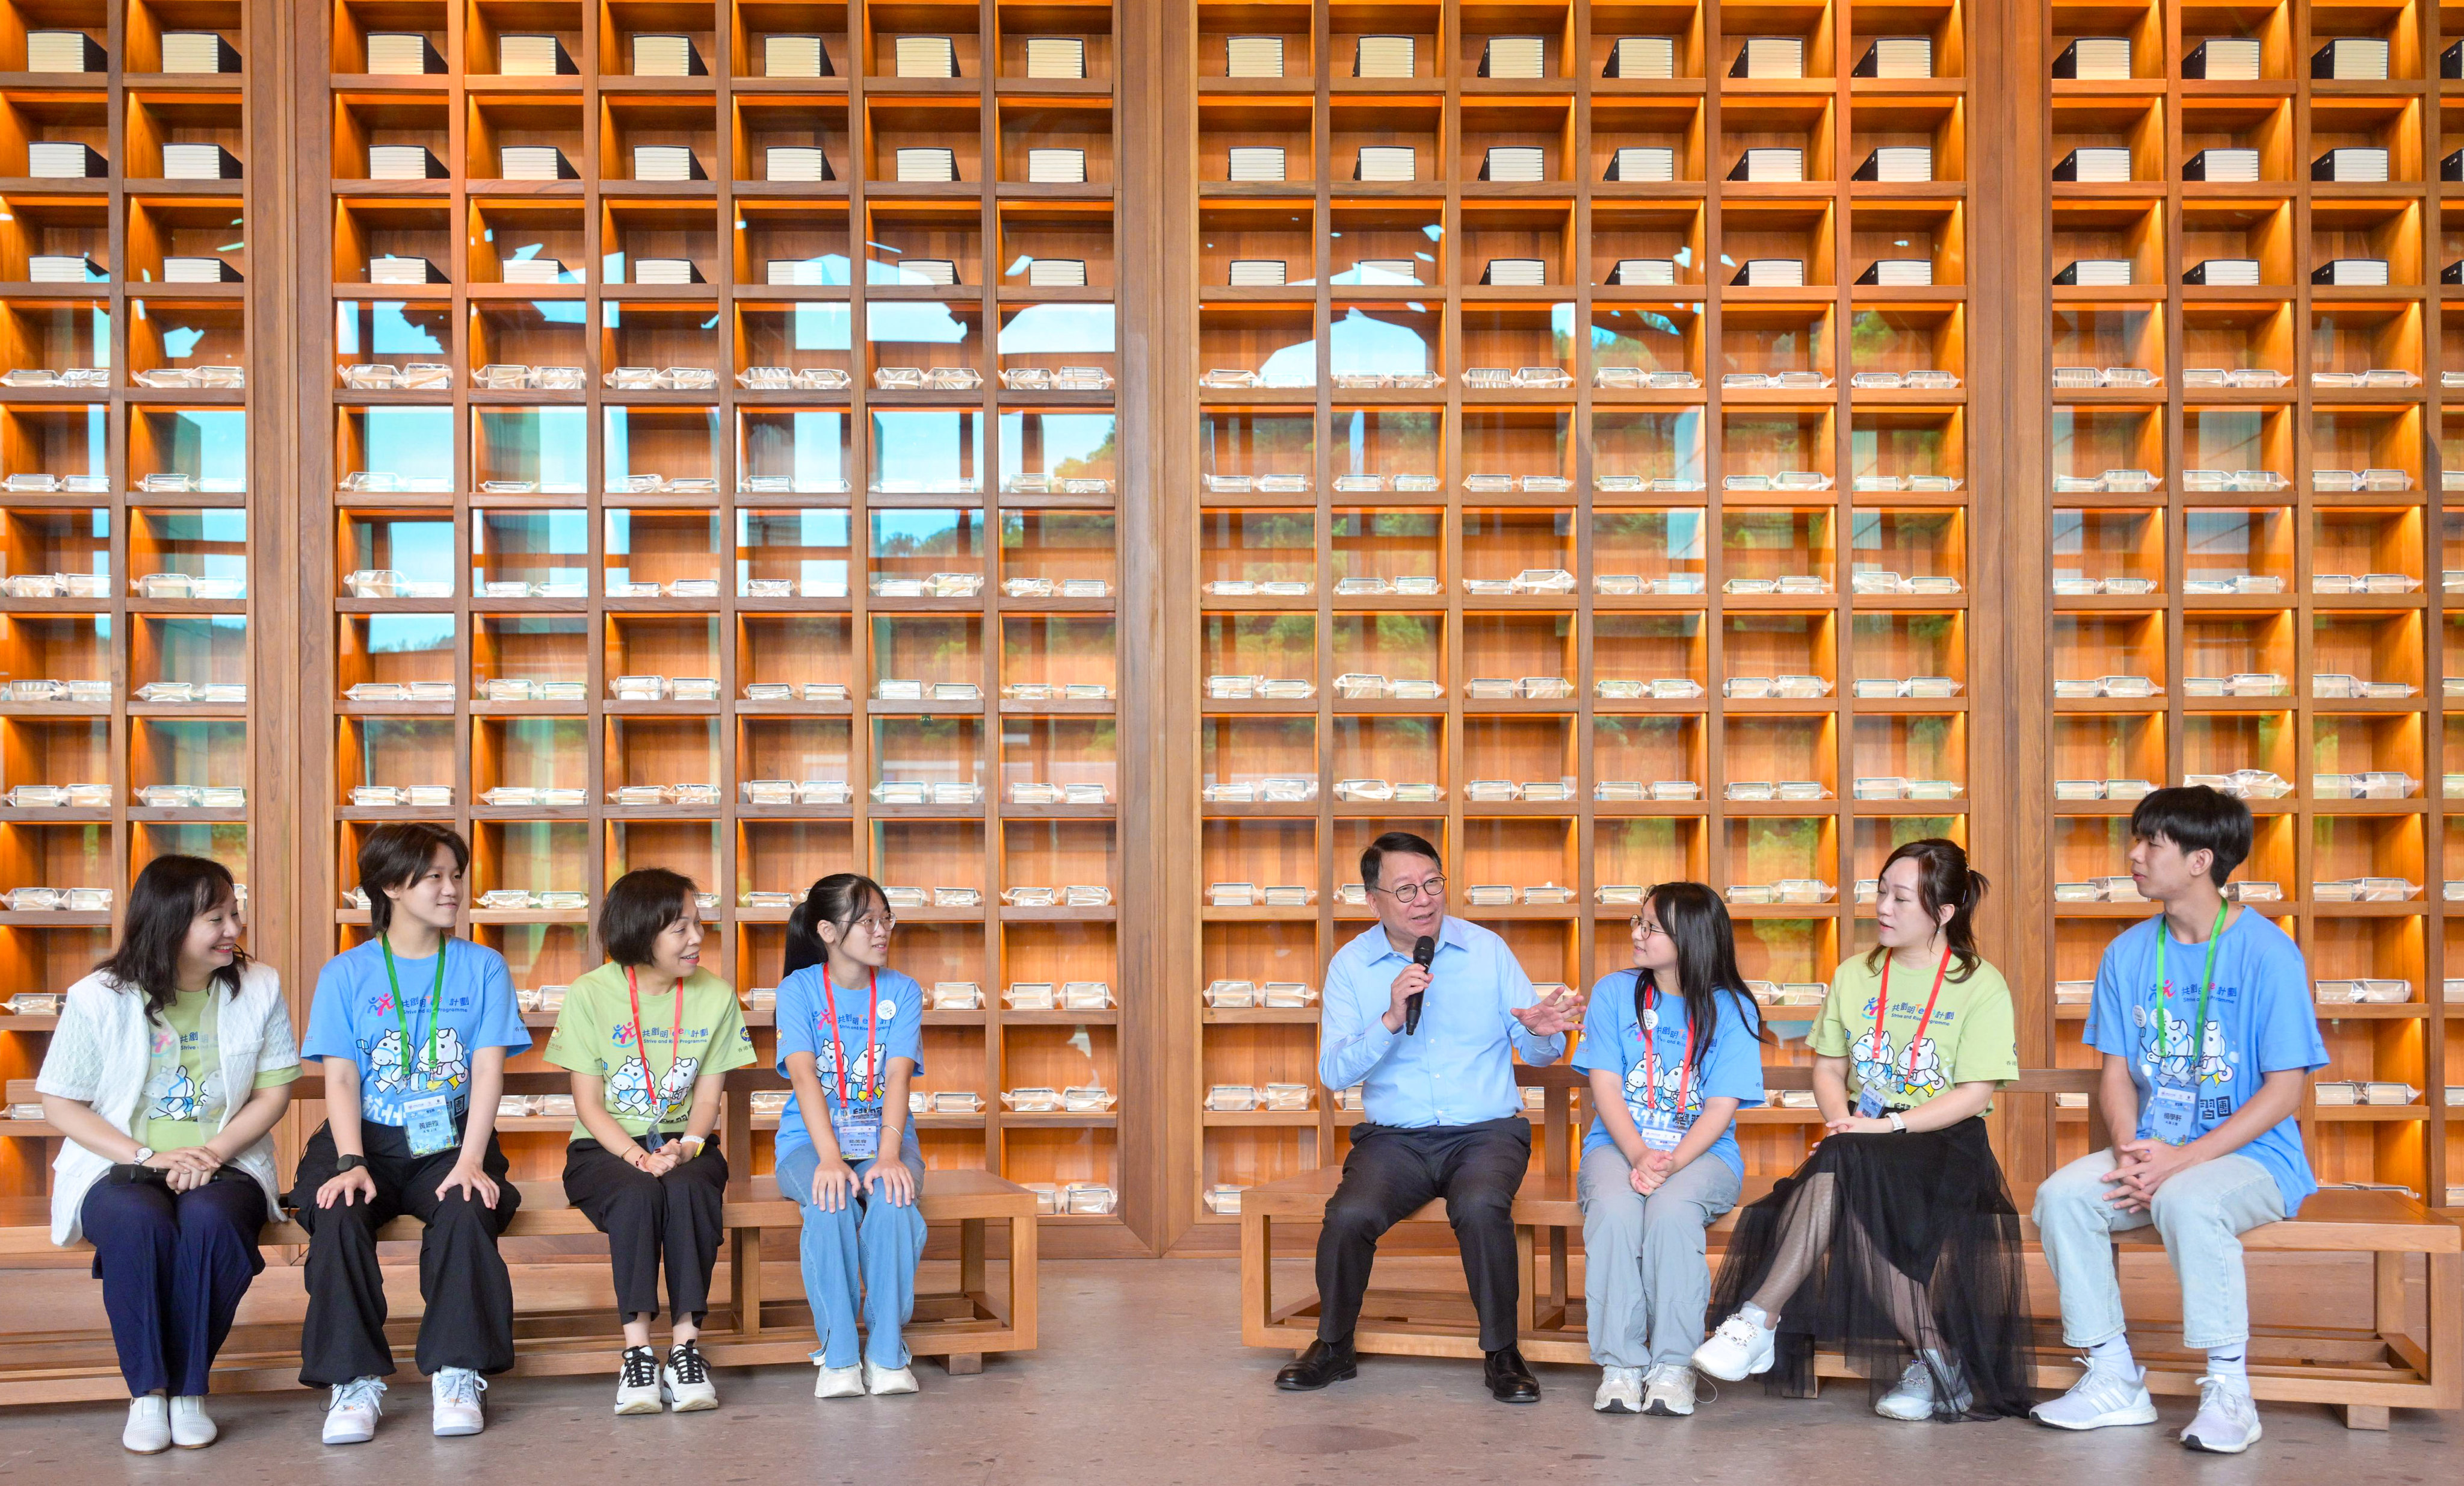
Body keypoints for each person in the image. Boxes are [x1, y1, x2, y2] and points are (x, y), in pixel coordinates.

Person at [2030, 786, 2327, 1453]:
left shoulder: (2268, 954)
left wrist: (2181, 1161)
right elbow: (2116, 1074)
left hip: (2255, 1158)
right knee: (2062, 1198)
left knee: (2191, 1202)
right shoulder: (2129, 953)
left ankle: (2230, 1391)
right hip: (2153, 1152)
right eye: (2135, 840)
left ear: (2201, 861)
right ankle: (2111, 1377)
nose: (2133, 855)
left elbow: (2284, 1092)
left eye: (2151, 844)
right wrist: (2136, 1149)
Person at [1696, 838, 2031, 1421]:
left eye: (1902, 898)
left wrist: (1889, 1126)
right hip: (1861, 1136)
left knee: (1845, 1173)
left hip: (1941, 1144)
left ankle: (1758, 1319)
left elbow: (1974, 1093)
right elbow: (1828, 1067)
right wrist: (1844, 1121)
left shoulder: (1980, 986)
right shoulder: (1855, 975)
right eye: (1881, 892)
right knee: (1849, 1178)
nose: (1883, 907)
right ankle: (1935, 1357)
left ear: (1944, 913)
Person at [1274, 831, 1586, 1403]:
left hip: (1486, 1132)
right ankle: (1333, 1345)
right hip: (1395, 1140)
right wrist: (1390, 1018)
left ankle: (1501, 1352)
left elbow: (1535, 1045)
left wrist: (1544, 1034)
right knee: (1350, 1213)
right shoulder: (1351, 966)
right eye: (1405, 889)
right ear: (1373, 900)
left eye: (1432, 883)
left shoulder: (1486, 949)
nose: (1424, 899)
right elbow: (1334, 1072)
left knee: (1479, 1204)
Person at [36, 856, 296, 1452]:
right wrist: (146, 1154)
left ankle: (188, 1390)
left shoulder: (260, 986)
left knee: (210, 1223)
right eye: (217, 918)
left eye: (235, 913)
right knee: (138, 1223)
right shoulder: (98, 996)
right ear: (170, 923)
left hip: (226, 1162)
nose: (235, 928)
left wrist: (213, 1151)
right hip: (120, 1164)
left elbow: (274, 1091)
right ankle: (148, 1393)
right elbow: (61, 1104)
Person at [289, 822, 531, 1445]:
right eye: (436, 877)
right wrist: (349, 1159)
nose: (453, 889)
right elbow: (340, 1079)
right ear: (393, 885)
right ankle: (353, 1380)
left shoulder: (482, 967)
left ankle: (457, 1370)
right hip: (362, 1138)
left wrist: (473, 1159)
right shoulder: (346, 973)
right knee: (338, 1212)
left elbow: (486, 1071)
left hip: (449, 1138)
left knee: (466, 1207)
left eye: (456, 875)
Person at [545, 868, 755, 1414]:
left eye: (697, 923)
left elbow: (710, 1098)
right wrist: (637, 1155)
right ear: (642, 931)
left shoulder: (715, 994)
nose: (696, 938)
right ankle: (637, 1352)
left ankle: (686, 1347)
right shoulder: (591, 993)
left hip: (685, 1141)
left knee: (688, 1189)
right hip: (604, 1145)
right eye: (680, 927)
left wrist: (685, 1146)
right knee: (638, 1193)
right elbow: (588, 1105)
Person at [1575, 882, 1768, 1416]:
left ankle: (1672, 1365)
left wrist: (1670, 1163)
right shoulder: (1615, 993)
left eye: (1650, 927)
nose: (1637, 934)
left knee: (1670, 1211)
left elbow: (1719, 1107)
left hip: (1702, 1155)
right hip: (1617, 1145)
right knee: (1613, 1210)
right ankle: (1620, 1363)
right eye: (1638, 922)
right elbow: (1606, 1086)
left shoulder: (1732, 1008)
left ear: (1691, 938)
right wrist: (1639, 1154)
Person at [773, 872, 928, 1398]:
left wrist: (888, 1157)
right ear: (827, 931)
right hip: (808, 1142)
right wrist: (829, 1159)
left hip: (884, 1138)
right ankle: (837, 1354)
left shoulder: (904, 991)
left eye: (887, 918)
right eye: (868, 921)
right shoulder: (797, 989)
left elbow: (900, 1077)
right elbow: (803, 1077)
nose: (882, 930)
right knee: (830, 1199)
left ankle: (887, 1350)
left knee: (892, 1196)